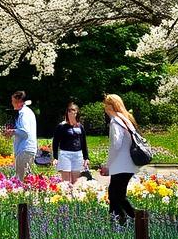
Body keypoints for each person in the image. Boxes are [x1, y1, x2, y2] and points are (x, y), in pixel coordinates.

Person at [99, 93, 138, 224]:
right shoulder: (126, 119)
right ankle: (127, 220)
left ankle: (129, 221)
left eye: (105, 105)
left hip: (121, 165)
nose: (104, 108)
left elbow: (116, 145)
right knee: (117, 194)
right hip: (129, 164)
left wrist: (108, 166)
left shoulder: (115, 121)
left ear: (110, 106)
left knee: (116, 195)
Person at [3, 90, 38, 181]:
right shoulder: (26, 112)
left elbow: (25, 132)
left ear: (19, 102)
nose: (12, 103)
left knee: (20, 181)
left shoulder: (24, 113)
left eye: (13, 101)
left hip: (24, 150)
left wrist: (12, 131)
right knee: (27, 179)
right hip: (27, 149)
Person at [52, 102, 90, 184]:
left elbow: (84, 142)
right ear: (67, 113)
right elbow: (55, 142)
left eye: (73, 112)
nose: (71, 114)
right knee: (65, 182)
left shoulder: (80, 126)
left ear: (77, 114)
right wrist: (55, 157)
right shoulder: (61, 126)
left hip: (78, 155)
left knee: (76, 181)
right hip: (65, 154)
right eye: (69, 112)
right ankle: (65, 196)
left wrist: (86, 157)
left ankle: (75, 196)